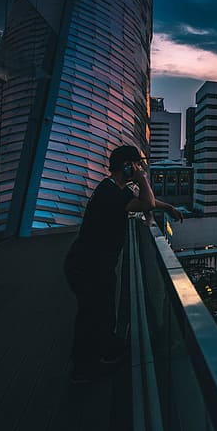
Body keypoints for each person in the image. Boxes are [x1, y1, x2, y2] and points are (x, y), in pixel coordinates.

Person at [63, 144, 183, 383]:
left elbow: (144, 202)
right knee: (92, 315)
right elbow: (145, 203)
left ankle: (102, 354)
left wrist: (167, 206)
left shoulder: (115, 189)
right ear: (126, 166)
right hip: (88, 265)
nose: (140, 168)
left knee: (101, 313)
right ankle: (85, 369)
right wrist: (142, 179)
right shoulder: (110, 193)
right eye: (136, 164)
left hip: (95, 263)